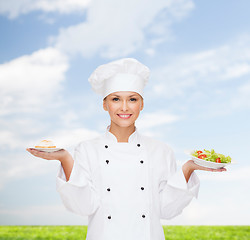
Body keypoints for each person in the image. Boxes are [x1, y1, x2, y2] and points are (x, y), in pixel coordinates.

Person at [27, 58, 226, 240]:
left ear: (142, 104)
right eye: (115, 99)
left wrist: (187, 169)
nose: (124, 107)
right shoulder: (87, 149)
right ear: (104, 105)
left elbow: (166, 210)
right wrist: (65, 159)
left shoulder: (161, 150)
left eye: (132, 99)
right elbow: (83, 206)